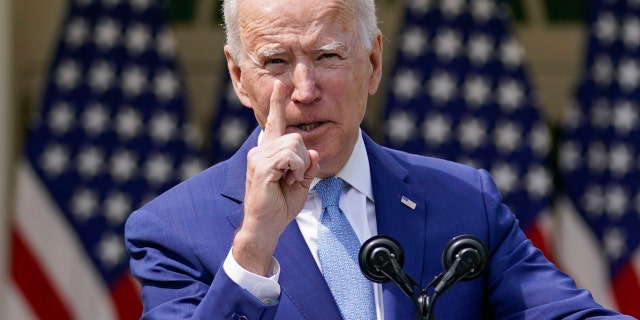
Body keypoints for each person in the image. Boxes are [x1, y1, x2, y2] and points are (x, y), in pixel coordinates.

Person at [124, 0, 635, 319]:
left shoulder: (463, 201)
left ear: (372, 63)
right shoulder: (172, 229)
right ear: (238, 77)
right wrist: (253, 249)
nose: (304, 90)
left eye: (327, 56)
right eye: (276, 61)